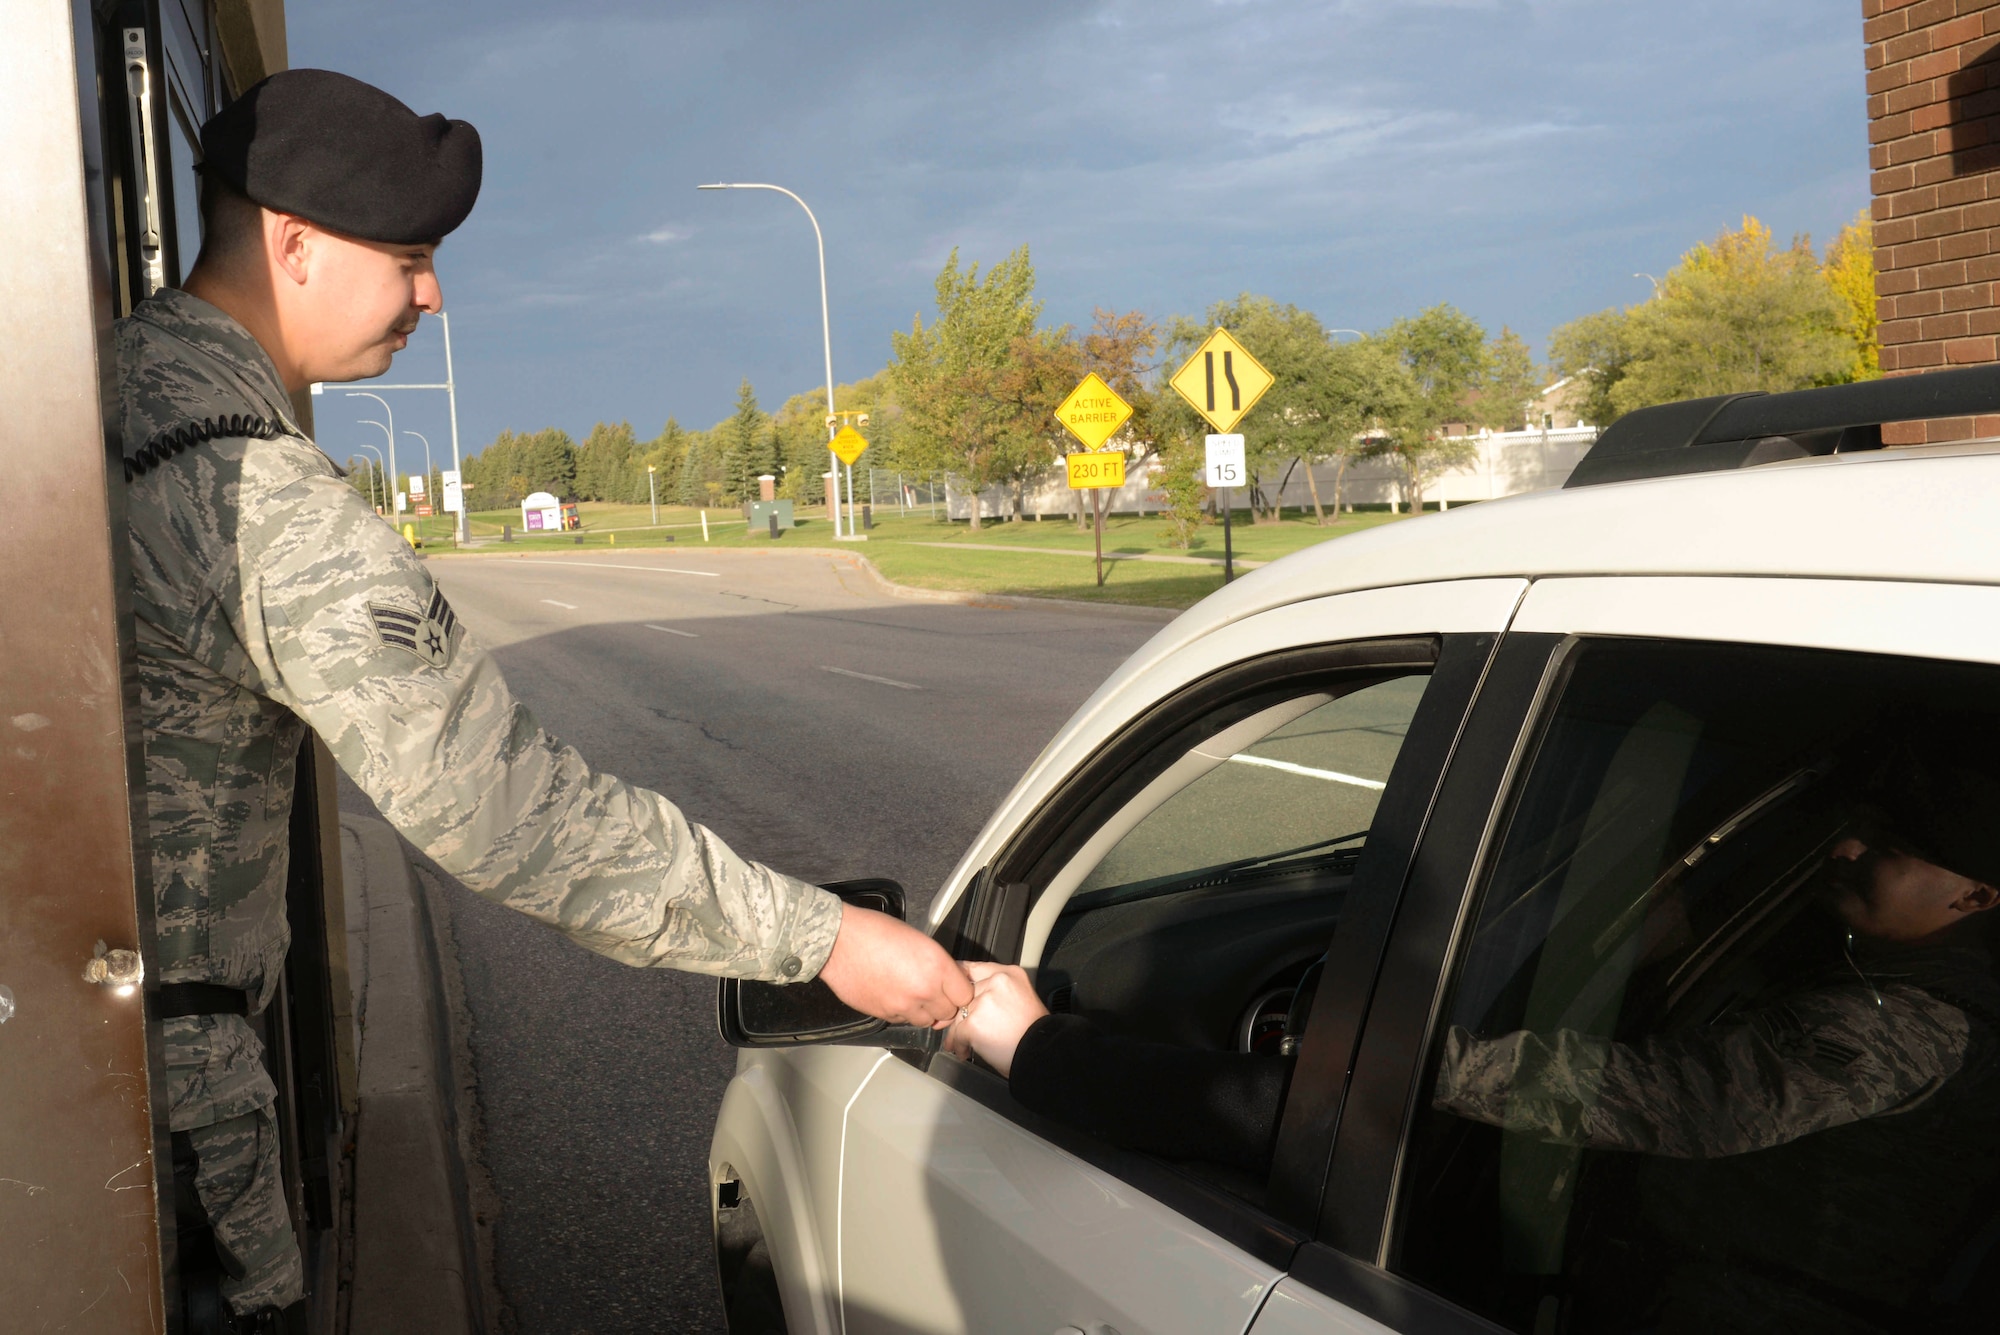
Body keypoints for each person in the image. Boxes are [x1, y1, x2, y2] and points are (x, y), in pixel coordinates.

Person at [123, 70, 970, 1330]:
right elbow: (507, 811)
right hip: (166, 1118)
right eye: (408, 257)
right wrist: (828, 941)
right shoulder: (256, 496)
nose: (433, 294)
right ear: (293, 245)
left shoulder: (128, 382)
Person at [948, 751, 2000, 1327]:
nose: (1853, 850)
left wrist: (1414, 1060)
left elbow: (1693, 1102)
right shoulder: (1869, 965)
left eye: (1897, 850)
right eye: (1861, 826)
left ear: (1973, 895)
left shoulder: (1922, 1023)